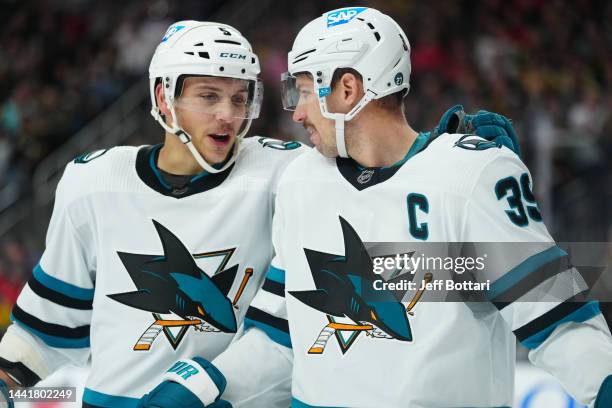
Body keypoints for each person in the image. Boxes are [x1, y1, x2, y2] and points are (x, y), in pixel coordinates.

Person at [138, 7, 612, 408]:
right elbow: (281, 337)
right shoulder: (302, 181)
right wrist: (204, 386)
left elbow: (558, 324)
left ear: (347, 89)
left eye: (304, 90)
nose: (297, 112)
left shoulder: (469, 177)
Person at [0, 20, 307, 408]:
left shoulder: (284, 175)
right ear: (164, 98)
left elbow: (297, 328)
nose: (228, 114)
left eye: (240, 98)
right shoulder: (93, 183)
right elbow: (50, 326)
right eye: (209, 96)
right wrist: (7, 377)